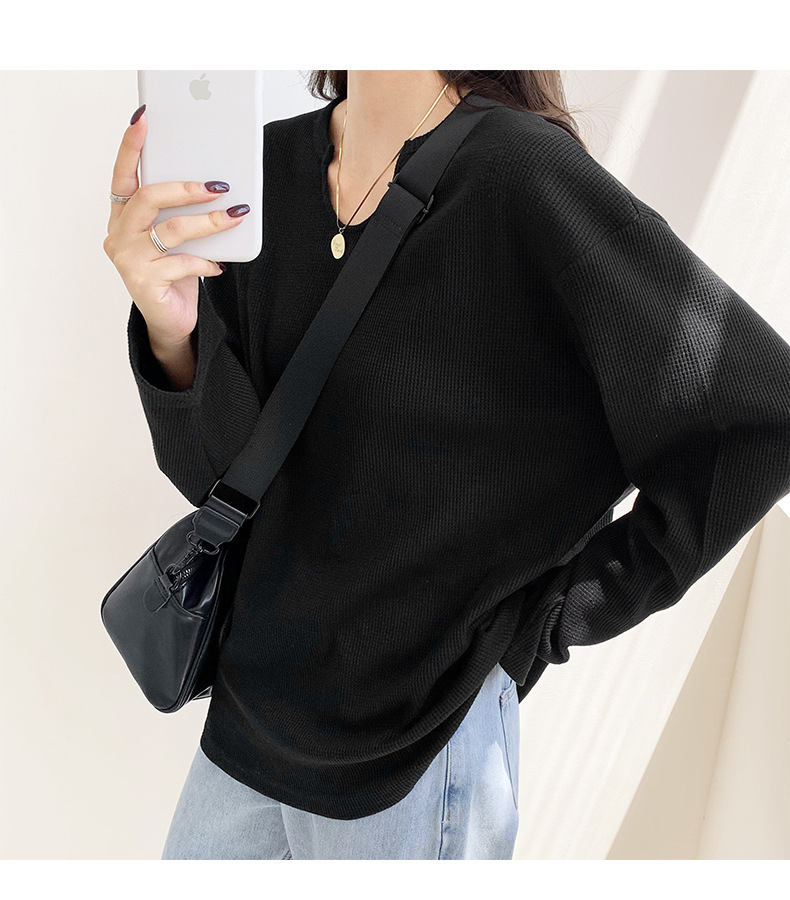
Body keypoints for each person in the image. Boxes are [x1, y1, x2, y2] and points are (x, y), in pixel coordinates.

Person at [103, 70, 790, 859]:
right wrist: (169, 327)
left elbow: (758, 416)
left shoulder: (519, 174)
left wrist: (546, 622)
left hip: (417, 753)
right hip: (249, 724)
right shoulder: (263, 173)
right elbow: (220, 477)